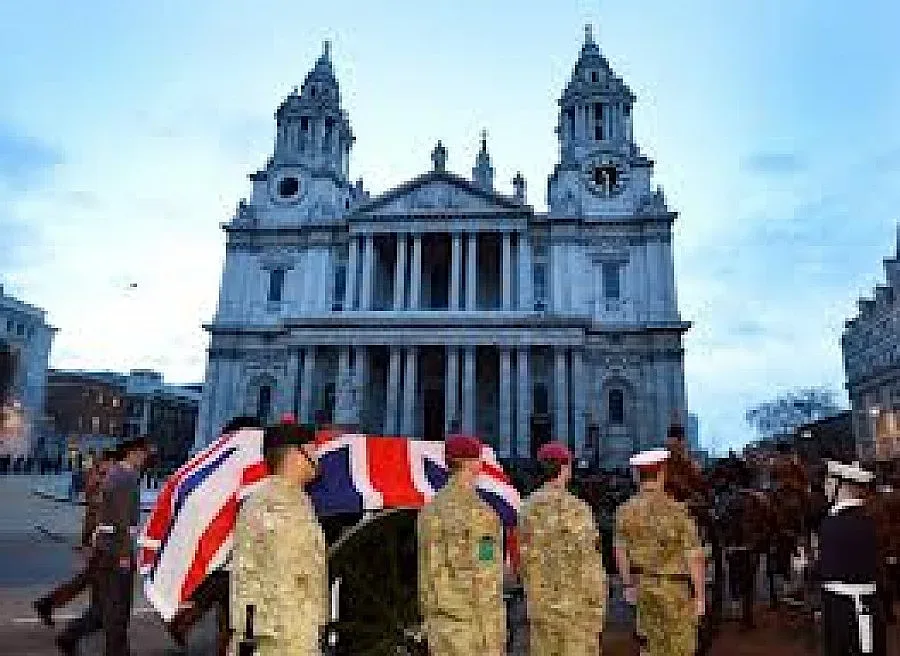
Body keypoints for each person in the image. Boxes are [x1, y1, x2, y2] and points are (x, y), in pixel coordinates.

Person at [166, 416, 263, 653]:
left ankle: (184, 621)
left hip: (225, 558)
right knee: (232, 618)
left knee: (225, 610)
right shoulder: (232, 472)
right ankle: (185, 622)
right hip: (229, 557)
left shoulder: (222, 470)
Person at [230, 420, 327, 654]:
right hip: (281, 637)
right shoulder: (278, 503)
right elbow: (288, 578)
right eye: (313, 450)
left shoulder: (291, 498)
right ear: (296, 454)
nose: (318, 457)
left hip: (288, 631)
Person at [55, 437, 154, 655]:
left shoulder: (118, 475)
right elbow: (122, 521)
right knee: (118, 608)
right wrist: (125, 554)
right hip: (115, 552)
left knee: (102, 608)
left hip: (106, 549)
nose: (146, 457)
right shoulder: (125, 478)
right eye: (143, 452)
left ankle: (68, 637)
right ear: (131, 453)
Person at [417, 433, 504, 655]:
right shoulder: (482, 514)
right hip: (471, 631)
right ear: (473, 464)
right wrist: (493, 637)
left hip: (439, 627)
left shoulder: (428, 511)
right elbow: (486, 572)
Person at [614, 448, 705, 656]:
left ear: (637, 476)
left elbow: (620, 550)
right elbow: (695, 557)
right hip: (675, 591)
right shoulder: (678, 512)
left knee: (649, 646)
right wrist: (699, 596)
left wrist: (628, 584)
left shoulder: (624, 511)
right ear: (663, 472)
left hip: (643, 588)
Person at [519, 441, 606, 655]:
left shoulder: (526, 508)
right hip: (576, 609)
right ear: (565, 468)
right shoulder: (578, 509)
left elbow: (521, 556)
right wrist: (598, 606)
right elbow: (591, 563)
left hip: (541, 606)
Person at [33, 449, 117, 627]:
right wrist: (88, 541)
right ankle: (49, 605)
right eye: (112, 462)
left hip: (101, 539)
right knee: (91, 579)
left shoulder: (100, 479)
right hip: (100, 540)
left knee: (92, 580)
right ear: (105, 462)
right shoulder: (101, 481)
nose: (114, 466)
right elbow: (95, 516)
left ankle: (94, 615)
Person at [814, 459, 885, 655]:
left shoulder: (836, 522)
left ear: (842, 486)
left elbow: (827, 569)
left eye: (829, 483)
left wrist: (807, 566)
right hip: (850, 604)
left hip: (849, 607)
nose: (825, 488)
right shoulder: (861, 517)